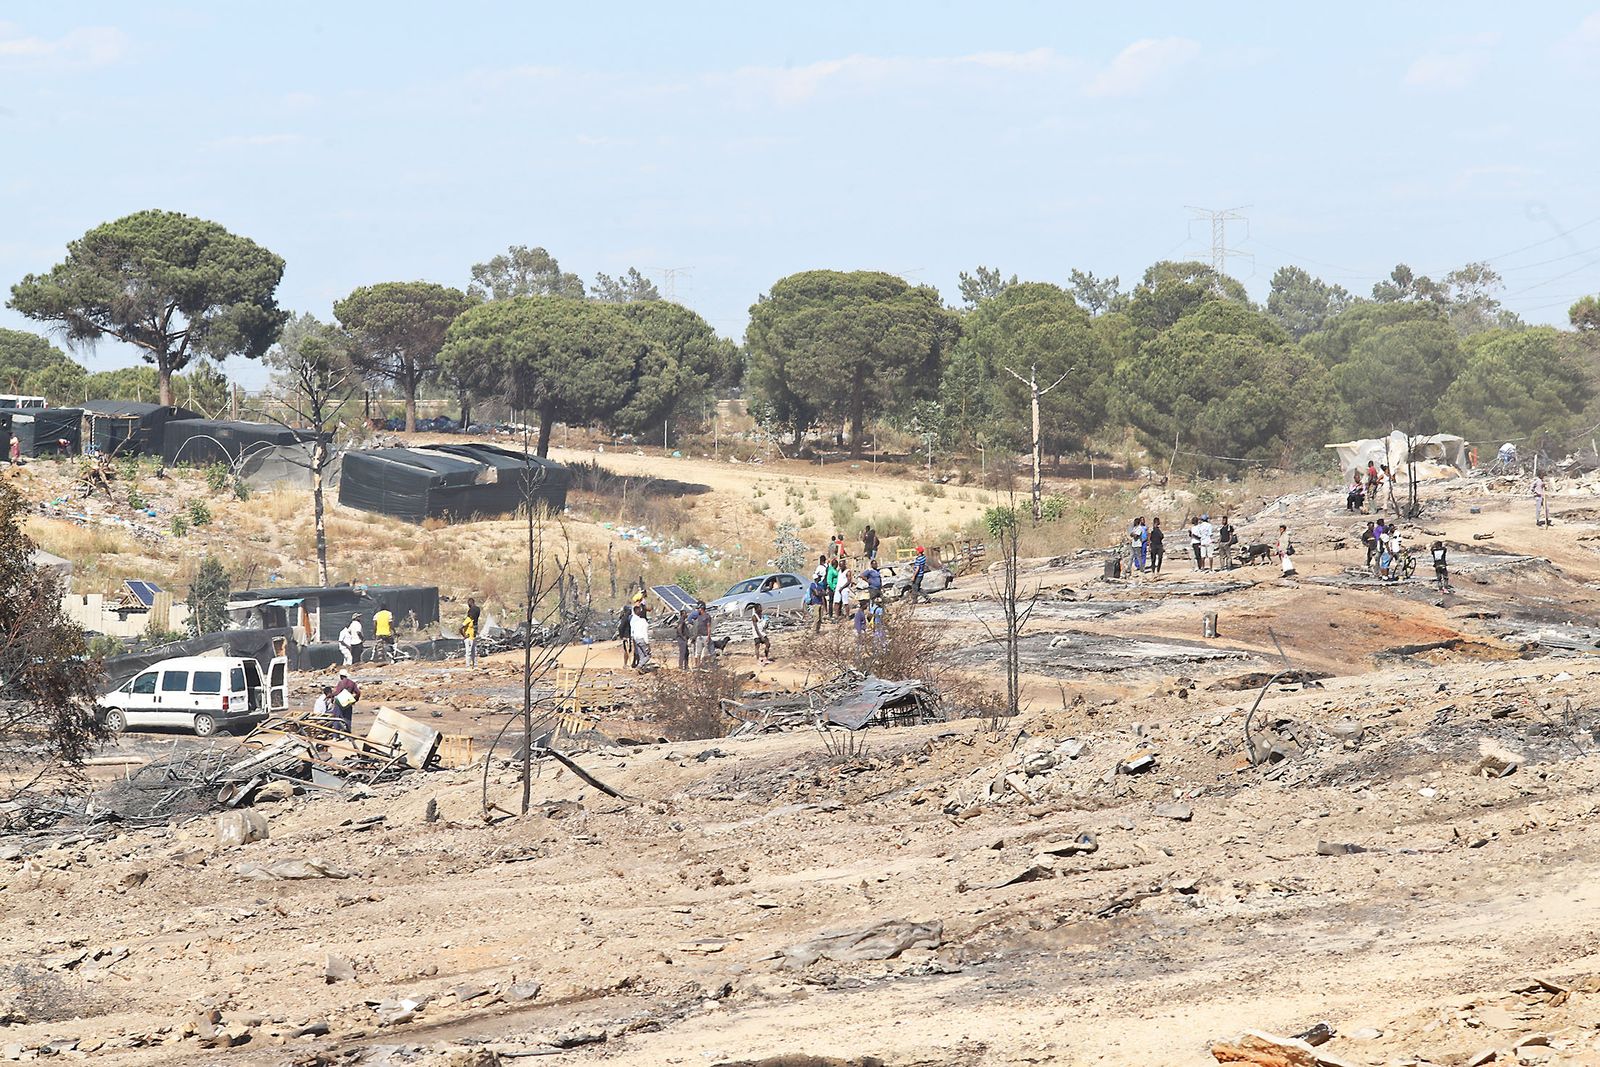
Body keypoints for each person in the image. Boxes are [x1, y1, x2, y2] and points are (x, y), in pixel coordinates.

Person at [689, 600, 713, 664]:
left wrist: (708, 636)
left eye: (698, 609)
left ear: (701, 608)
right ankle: (697, 665)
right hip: (699, 636)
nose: (697, 610)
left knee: (706, 652)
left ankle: (708, 664)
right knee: (697, 652)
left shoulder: (707, 616)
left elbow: (709, 626)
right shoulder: (698, 616)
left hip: (705, 636)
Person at [629, 603, 652, 670]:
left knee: (641, 655)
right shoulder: (643, 622)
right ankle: (639, 666)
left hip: (636, 639)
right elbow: (645, 633)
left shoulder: (635, 621)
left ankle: (641, 668)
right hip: (642, 639)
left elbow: (633, 631)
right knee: (648, 655)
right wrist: (647, 644)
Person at [617, 601, 636, 667]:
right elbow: (621, 627)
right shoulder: (625, 618)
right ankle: (625, 664)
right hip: (626, 636)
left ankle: (630, 663)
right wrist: (622, 636)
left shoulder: (629, 617)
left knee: (629, 649)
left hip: (629, 635)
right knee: (627, 650)